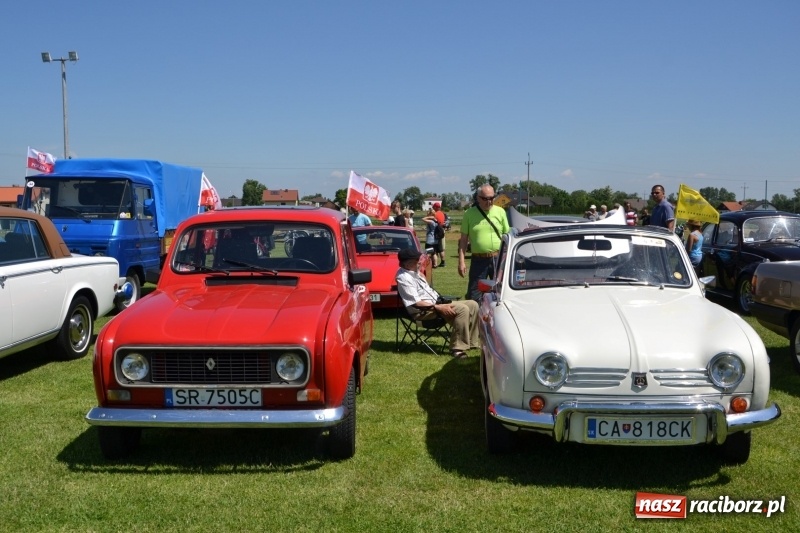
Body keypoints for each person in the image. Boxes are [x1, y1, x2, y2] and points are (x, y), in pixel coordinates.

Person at [396, 248, 480, 358]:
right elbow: (416, 303)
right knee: (462, 309)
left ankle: (472, 342)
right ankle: (457, 348)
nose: (420, 261)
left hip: (436, 303)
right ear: (408, 263)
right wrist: (438, 307)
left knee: (473, 304)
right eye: (417, 260)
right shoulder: (404, 278)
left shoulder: (414, 272)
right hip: (423, 312)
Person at [458, 184, 510, 302]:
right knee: (474, 295)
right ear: (478, 198)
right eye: (485, 198)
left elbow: (507, 236)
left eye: (492, 198)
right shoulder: (469, 214)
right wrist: (461, 261)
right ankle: (475, 319)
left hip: (499, 259)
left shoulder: (501, 212)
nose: (489, 201)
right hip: (478, 261)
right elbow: (464, 240)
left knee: (501, 295)